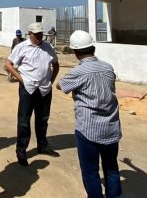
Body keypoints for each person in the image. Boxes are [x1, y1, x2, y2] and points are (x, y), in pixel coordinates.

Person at [57, 30, 122, 198]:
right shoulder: (108, 68)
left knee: (90, 171)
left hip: (88, 129)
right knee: (112, 168)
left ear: (76, 52)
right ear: (93, 48)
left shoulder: (79, 71)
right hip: (111, 127)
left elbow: (60, 85)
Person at [5, 22, 60, 166]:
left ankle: (43, 145)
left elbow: (56, 65)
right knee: (24, 120)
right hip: (27, 89)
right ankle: (21, 151)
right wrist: (21, 79)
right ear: (29, 33)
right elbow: (8, 64)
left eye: (41, 34)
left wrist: (50, 81)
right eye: (36, 34)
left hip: (44, 89)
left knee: (43, 119)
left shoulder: (48, 47)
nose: (39, 37)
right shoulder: (21, 47)